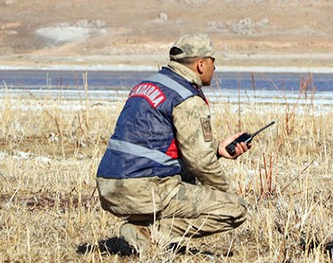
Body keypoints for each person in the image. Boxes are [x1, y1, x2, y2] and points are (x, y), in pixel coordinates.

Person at [96, 33, 251, 254]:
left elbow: (157, 145)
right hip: (145, 189)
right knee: (235, 209)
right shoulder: (187, 98)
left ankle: (142, 226)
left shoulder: (147, 86)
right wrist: (226, 193)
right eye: (213, 62)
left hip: (109, 186)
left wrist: (216, 149)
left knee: (188, 179)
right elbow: (200, 162)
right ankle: (150, 232)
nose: (215, 69)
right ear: (200, 64)